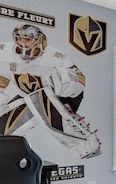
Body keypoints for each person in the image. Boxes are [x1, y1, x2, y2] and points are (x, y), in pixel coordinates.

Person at [0, 24, 101, 158]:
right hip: (19, 99)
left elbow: (79, 80)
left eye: (28, 39)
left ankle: (82, 142)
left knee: (42, 95)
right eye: (19, 39)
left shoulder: (54, 55)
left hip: (51, 98)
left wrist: (54, 84)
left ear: (39, 39)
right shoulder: (4, 51)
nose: (23, 43)